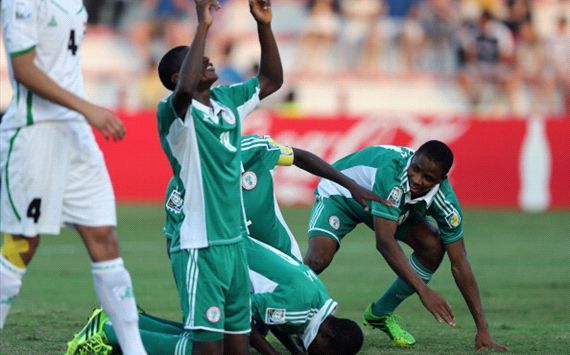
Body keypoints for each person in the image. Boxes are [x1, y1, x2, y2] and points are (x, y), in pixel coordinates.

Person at [0, 1, 146, 354]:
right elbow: (22, 68)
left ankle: (135, 350)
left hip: (75, 133)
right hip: (35, 132)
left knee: (104, 237)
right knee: (22, 242)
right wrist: (87, 108)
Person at [155, 0, 283, 353]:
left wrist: (265, 26)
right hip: (199, 246)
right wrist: (202, 24)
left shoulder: (228, 101)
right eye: (196, 61)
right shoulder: (175, 115)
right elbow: (183, 92)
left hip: (234, 245)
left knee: (237, 348)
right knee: (207, 349)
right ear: (176, 77)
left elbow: (272, 80)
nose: (209, 60)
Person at [303, 141, 508, 351]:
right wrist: (423, 290)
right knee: (319, 259)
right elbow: (384, 241)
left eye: (428, 178)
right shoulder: (392, 173)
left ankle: (380, 313)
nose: (417, 180)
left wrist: (482, 327)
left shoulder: (446, 203)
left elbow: (460, 263)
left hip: (391, 206)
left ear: (442, 179)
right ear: (413, 158)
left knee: (433, 247)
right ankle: (277, 305)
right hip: (342, 194)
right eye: (416, 169)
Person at [65, 236, 364, 355]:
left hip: (216, 253)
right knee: (208, 349)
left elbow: (275, 317)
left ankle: (128, 321)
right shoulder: (301, 309)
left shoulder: (316, 299)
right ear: (327, 337)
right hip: (207, 260)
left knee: (210, 339)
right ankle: (105, 330)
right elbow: (242, 317)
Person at [239, 134, 389, 260]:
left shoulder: (253, 149)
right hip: (230, 253)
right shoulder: (216, 167)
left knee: (301, 289)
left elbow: (299, 158)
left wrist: (351, 185)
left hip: (281, 254)